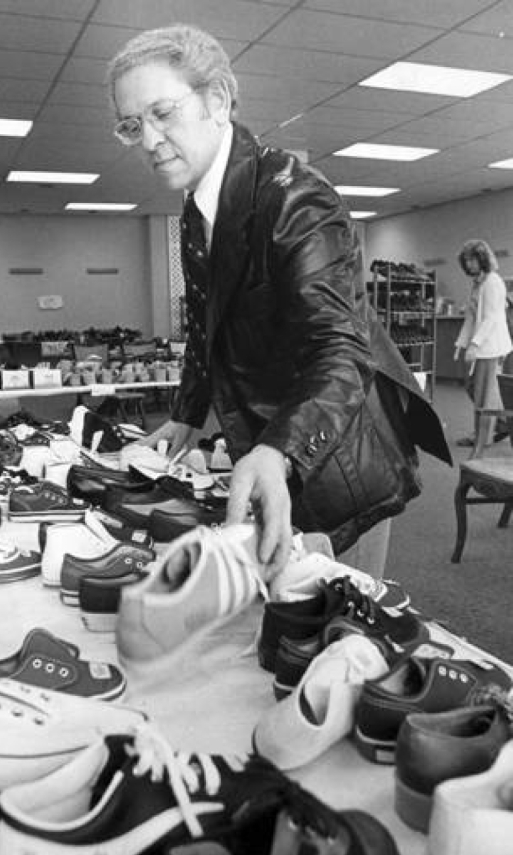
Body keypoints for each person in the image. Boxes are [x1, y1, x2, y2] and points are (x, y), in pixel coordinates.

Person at [107, 23, 451, 581]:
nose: (148, 139)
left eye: (162, 113)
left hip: (339, 457)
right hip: (270, 440)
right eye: (131, 125)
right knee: (278, 622)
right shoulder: (196, 210)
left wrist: (280, 450)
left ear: (217, 101)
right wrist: (186, 415)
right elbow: (206, 322)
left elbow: (342, 351)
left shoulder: (297, 197)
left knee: (336, 625)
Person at [454, 239, 512, 447]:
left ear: (483, 259)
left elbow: (492, 318)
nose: (469, 264)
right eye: (466, 260)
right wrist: (461, 342)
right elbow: (471, 317)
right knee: (475, 387)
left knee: (483, 393)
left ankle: (482, 438)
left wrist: (475, 345)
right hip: (482, 346)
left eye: (473, 259)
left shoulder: (493, 282)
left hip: (491, 347)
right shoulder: (478, 283)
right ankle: (504, 423)